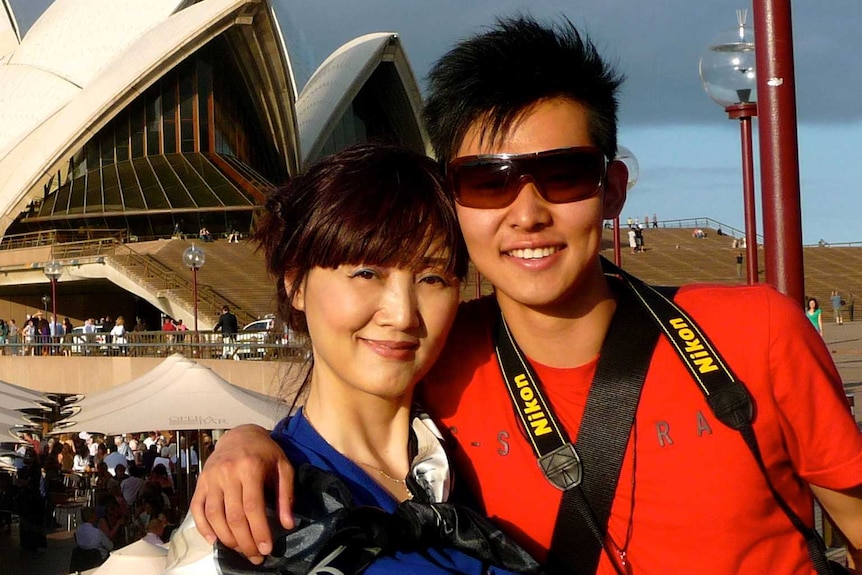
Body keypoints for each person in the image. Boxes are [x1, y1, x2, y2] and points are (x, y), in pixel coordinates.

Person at [190, 16, 862, 574]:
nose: (528, 211)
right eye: (489, 182)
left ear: (613, 188)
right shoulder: (439, 356)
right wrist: (247, 442)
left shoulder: (754, 335)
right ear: (457, 201)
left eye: (564, 174)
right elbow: (342, 403)